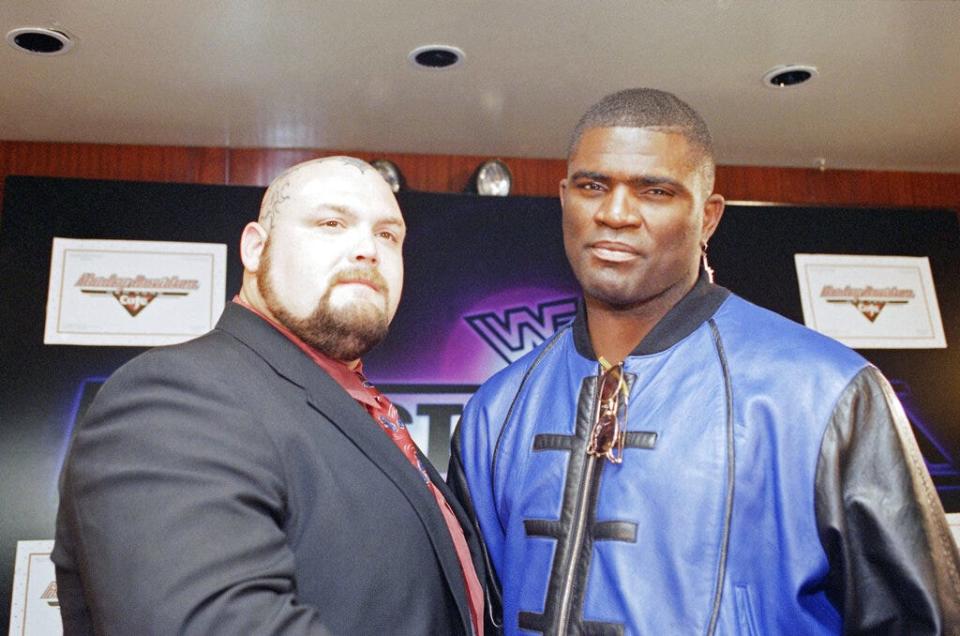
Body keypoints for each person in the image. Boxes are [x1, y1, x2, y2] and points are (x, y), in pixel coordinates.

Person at [448, 89, 960, 634]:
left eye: (655, 191)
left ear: (708, 217)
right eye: (593, 185)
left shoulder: (824, 392)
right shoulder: (497, 411)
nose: (615, 213)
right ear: (564, 197)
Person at [53, 157, 488, 635]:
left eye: (388, 235)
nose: (367, 249)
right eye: (331, 223)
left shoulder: (361, 410)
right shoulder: (176, 397)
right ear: (256, 248)